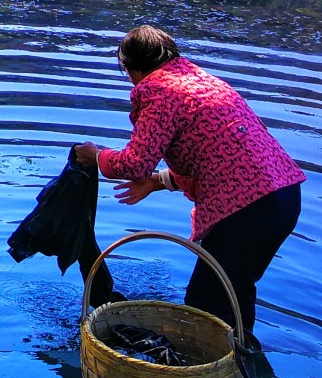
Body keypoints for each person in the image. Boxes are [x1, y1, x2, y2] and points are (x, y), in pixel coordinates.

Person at [72, 25, 306, 346]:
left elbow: (135, 163)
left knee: (206, 303)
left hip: (246, 208)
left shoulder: (157, 89)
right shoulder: (201, 81)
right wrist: (156, 183)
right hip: (284, 197)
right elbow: (212, 156)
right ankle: (239, 368)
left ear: (131, 68)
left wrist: (96, 156)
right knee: (234, 294)